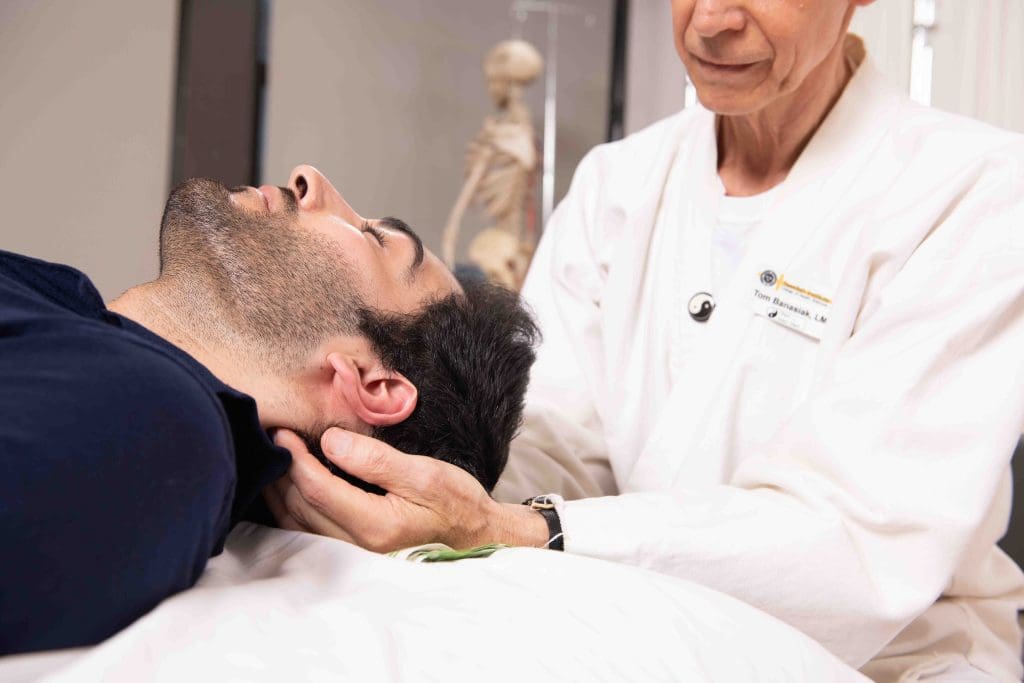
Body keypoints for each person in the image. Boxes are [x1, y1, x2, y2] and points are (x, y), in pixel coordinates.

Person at [269, 2, 1024, 681]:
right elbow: (557, 442)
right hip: (645, 616)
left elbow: (857, 543)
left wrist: (528, 528)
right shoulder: (617, 184)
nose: (712, 20)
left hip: (892, 660)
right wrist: (408, 466)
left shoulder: (973, 193)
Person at [0, 164, 538, 655]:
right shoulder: (62, 311)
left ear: (373, 385)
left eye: (374, 238)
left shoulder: (159, 433)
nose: (308, 177)